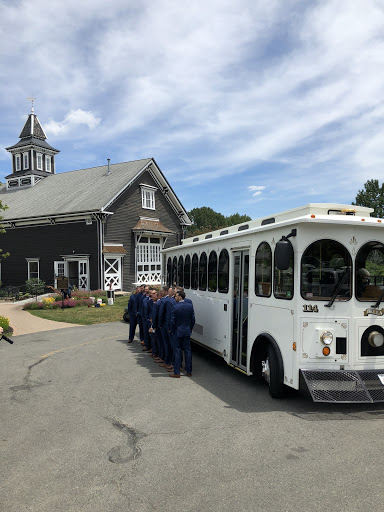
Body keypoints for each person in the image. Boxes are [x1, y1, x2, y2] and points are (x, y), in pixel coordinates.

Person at [169, 290, 195, 378]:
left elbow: (172, 321)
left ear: (180, 297)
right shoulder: (190, 306)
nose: (175, 297)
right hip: (187, 331)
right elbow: (193, 320)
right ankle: (189, 370)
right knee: (188, 351)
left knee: (177, 351)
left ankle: (177, 372)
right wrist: (190, 328)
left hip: (177, 332)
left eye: (176, 296)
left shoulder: (175, 307)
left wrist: (172, 330)